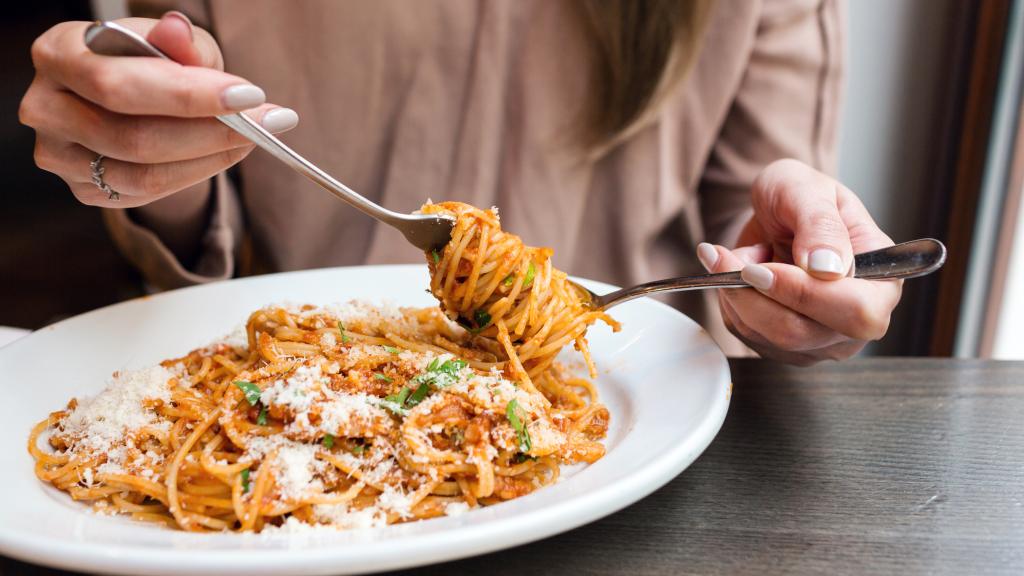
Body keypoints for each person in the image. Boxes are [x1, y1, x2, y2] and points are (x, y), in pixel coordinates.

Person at [18, 0, 900, 365]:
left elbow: (757, 231)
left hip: (628, 412)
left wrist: (793, 293)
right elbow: (183, 228)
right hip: (302, 385)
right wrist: (143, 146)